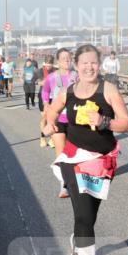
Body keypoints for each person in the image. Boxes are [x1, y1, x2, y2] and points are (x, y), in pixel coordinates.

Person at [43, 44, 128, 255]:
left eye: (94, 63)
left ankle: (76, 243)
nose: (89, 67)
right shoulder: (68, 91)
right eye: (84, 63)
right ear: (76, 65)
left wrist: (104, 121)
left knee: (89, 216)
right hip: (74, 159)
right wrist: (50, 125)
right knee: (82, 214)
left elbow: (126, 123)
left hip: (102, 161)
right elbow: (53, 109)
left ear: (99, 65)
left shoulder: (108, 90)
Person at [41, 48, 77, 197]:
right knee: (61, 153)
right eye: (63, 58)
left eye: (69, 58)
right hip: (58, 120)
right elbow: (45, 91)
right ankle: (64, 184)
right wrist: (46, 104)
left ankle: (76, 178)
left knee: (74, 153)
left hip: (75, 120)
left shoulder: (77, 76)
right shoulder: (51, 77)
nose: (67, 60)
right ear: (58, 61)